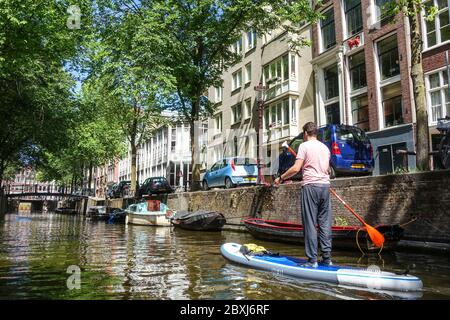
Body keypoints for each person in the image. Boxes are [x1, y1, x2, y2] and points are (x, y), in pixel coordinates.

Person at [274, 122, 332, 268]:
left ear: (306, 133)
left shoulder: (304, 146)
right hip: (325, 187)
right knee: (325, 223)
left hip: (311, 187)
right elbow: (328, 170)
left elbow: (296, 168)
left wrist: (281, 178)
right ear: (316, 133)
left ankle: (312, 261)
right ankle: (327, 258)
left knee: (310, 224)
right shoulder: (325, 148)